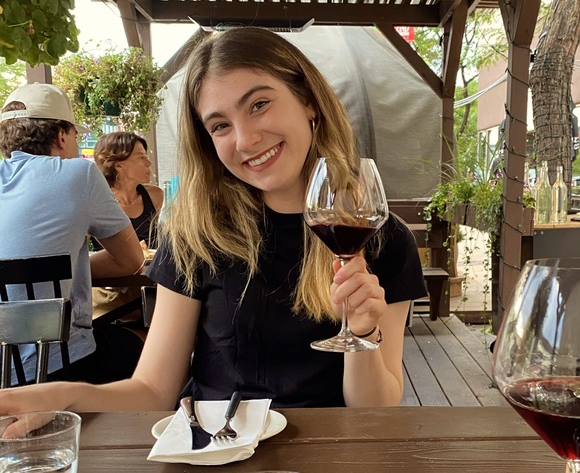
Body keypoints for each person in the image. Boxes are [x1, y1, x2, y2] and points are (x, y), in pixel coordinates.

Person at [0, 29, 426, 418]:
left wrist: (362, 331)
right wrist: (65, 396)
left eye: (259, 105)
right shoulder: (198, 234)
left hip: (329, 455)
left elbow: (375, 409)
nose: (245, 140)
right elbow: (152, 391)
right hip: (215, 451)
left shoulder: (381, 238)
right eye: (220, 125)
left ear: (308, 101)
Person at [0, 83, 145, 386]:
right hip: (56, 367)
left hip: (5, 372)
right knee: (151, 345)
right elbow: (131, 260)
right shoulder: (79, 173)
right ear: (61, 136)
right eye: (76, 136)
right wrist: (66, 267)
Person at [90, 132, 164, 323]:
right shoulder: (97, 202)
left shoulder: (155, 196)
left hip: (150, 289)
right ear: (119, 164)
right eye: (141, 157)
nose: (148, 163)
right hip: (111, 296)